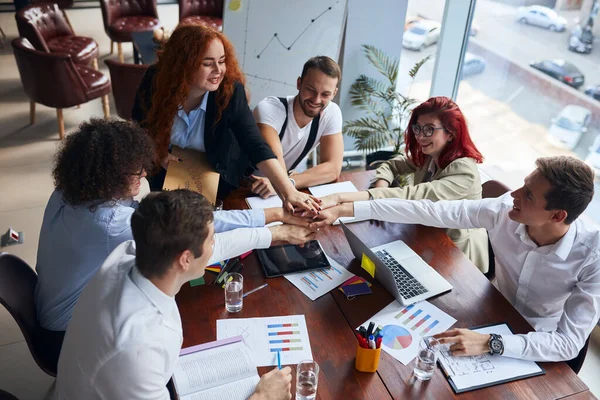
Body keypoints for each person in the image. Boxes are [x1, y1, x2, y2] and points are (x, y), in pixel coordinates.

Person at [35, 118, 313, 355]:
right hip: (67, 335)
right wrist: (274, 232)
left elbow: (187, 221)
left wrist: (275, 214)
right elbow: (196, 239)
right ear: (110, 176)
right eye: (135, 171)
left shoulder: (68, 191)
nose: (144, 174)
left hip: (51, 305)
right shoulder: (110, 224)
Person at [312, 156, 600, 362]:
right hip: (493, 311)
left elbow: (567, 343)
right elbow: (429, 211)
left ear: (557, 216)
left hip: (537, 339)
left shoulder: (592, 256)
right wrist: (348, 209)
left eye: (528, 195)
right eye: (522, 185)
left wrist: (492, 343)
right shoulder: (502, 210)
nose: (513, 194)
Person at [51, 190, 298, 399]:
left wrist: (275, 234)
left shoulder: (129, 254)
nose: (215, 245)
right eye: (210, 240)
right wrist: (263, 396)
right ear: (185, 259)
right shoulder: (138, 349)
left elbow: (217, 247)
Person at [132, 23, 320, 214]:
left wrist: (288, 191)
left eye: (221, 61)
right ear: (183, 65)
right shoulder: (155, 80)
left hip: (216, 180)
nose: (218, 70)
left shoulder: (229, 91)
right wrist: (159, 153)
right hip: (166, 177)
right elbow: (139, 128)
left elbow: (255, 145)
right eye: (207, 63)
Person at [319, 96, 489, 272]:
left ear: (451, 133)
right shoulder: (429, 154)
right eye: (418, 128)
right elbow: (391, 164)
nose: (421, 136)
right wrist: (380, 188)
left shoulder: (463, 170)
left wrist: (340, 199)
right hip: (427, 237)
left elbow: (413, 196)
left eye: (429, 130)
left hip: (458, 257)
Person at [250, 56, 344, 198]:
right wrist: (283, 184)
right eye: (311, 90)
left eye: (325, 94)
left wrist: (289, 182)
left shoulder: (331, 112)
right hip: (244, 186)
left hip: (276, 191)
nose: (316, 100)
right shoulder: (270, 109)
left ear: (334, 93)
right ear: (299, 83)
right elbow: (275, 159)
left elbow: (333, 169)